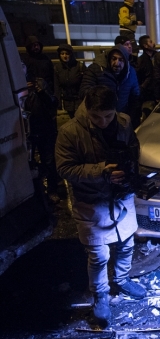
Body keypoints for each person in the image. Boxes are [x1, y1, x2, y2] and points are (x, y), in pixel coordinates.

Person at [56, 85, 147, 325]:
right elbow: (64, 168)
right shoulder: (70, 132)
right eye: (96, 117)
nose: (103, 121)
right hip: (91, 201)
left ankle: (122, 279)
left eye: (108, 116)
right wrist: (100, 171)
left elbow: (135, 149)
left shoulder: (124, 122)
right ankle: (100, 295)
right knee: (98, 255)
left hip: (121, 196)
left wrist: (130, 171)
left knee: (127, 244)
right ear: (86, 108)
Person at [23, 59, 60, 204]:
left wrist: (42, 92)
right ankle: (35, 192)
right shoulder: (16, 87)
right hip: (28, 132)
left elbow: (53, 102)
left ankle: (52, 189)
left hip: (45, 130)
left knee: (49, 161)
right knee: (29, 163)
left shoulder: (40, 83)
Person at [79, 45, 140, 127]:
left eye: (121, 60)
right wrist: (102, 98)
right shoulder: (95, 69)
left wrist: (130, 117)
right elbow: (85, 90)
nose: (117, 63)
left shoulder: (131, 73)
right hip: (100, 118)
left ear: (126, 61)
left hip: (121, 117)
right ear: (108, 59)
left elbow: (135, 96)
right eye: (114, 59)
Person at [53, 43, 84, 118]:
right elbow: (57, 87)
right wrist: (58, 104)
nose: (64, 56)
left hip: (79, 100)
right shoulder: (57, 68)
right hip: (67, 101)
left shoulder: (79, 66)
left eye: (67, 53)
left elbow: (84, 84)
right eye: (62, 54)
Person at [136, 34, 157, 102]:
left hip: (155, 92)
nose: (153, 43)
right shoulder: (141, 61)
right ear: (145, 46)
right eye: (150, 42)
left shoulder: (157, 56)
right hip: (147, 94)